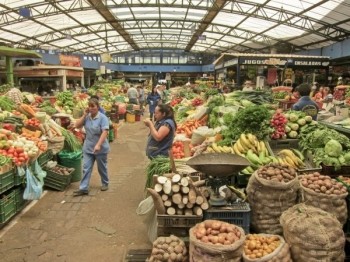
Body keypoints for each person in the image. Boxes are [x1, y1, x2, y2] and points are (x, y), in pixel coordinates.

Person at [73, 98, 110, 196]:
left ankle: (105, 183)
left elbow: (105, 132)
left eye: (93, 106)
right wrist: (84, 114)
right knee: (86, 167)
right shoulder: (87, 117)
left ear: (97, 107)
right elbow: (76, 125)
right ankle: (84, 188)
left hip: (100, 148)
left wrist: (98, 145)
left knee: (101, 167)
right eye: (89, 106)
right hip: (88, 147)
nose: (91, 108)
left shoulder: (103, 118)